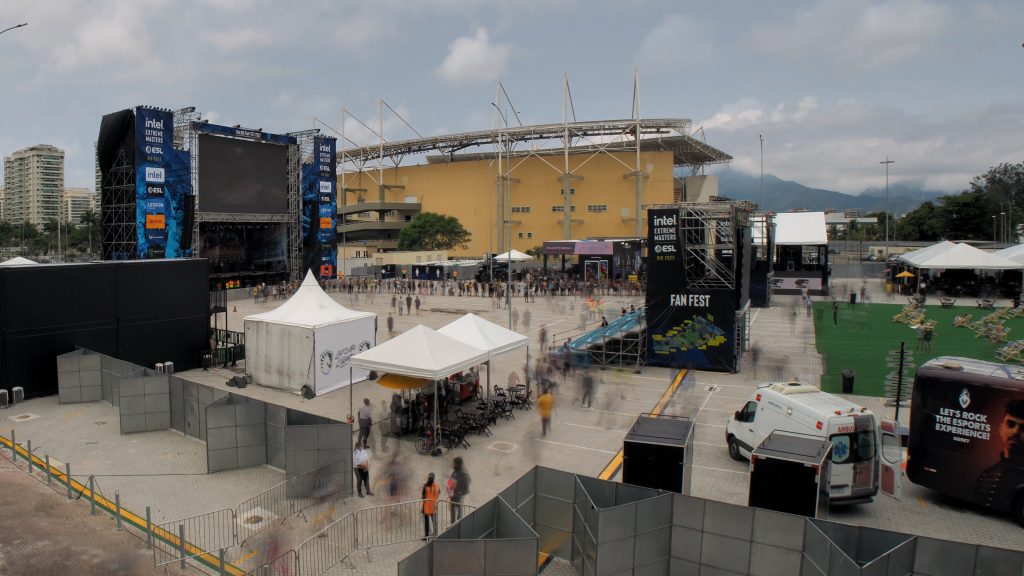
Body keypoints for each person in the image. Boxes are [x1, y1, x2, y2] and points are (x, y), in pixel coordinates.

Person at [975, 399, 1024, 510]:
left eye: (1023, 428)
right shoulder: (987, 476)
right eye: (1010, 424)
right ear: (1001, 429)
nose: (1015, 432)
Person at [447, 457, 470, 521]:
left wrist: (460, 493)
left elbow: (466, 487)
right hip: (453, 496)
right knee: (453, 511)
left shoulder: (463, 474)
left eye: (454, 463)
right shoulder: (454, 472)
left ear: (457, 464)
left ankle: (459, 525)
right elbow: (451, 482)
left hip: (459, 497)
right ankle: (453, 525)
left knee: (459, 512)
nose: (453, 464)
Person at [421, 472, 441, 540]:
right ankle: (435, 535)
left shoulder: (425, 486)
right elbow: (438, 494)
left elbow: (423, 497)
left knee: (427, 523)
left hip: (426, 506)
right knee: (434, 521)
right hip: (434, 506)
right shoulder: (437, 485)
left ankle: (427, 536)